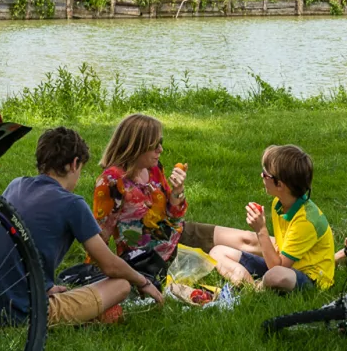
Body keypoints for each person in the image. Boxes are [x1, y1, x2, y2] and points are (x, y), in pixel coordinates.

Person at [0, 126, 164, 326]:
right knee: (121, 285)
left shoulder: (16, 184)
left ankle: (45, 290)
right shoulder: (72, 203)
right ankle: (77, 317)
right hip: (21, 312)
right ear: (74, 164)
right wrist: (143, 281)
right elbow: (109, 265)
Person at [93, 113, 263, 264]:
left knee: (246, 239)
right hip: (152, 256)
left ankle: (288, 257)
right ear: (136, 146)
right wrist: (92, 273)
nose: (161, 149)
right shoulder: (111, 181)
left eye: (161, 142)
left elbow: (174, 214)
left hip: (179, 233)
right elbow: (100, 235)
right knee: (234, 251)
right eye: (155, 145)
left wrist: (177, 191)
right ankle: (279, 271)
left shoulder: (153, 168)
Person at [209, 144, 335, 291]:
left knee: (275, 275)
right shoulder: (279, 203)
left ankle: (256, 288)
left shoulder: (306, 221)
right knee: (217, 252)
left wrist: (261, 229)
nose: (261, 175)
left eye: (265, 174)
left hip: (310, 278)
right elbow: (278, 258)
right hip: (283, 265)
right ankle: (251, 288)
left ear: (280, 185)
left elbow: (277, 268)